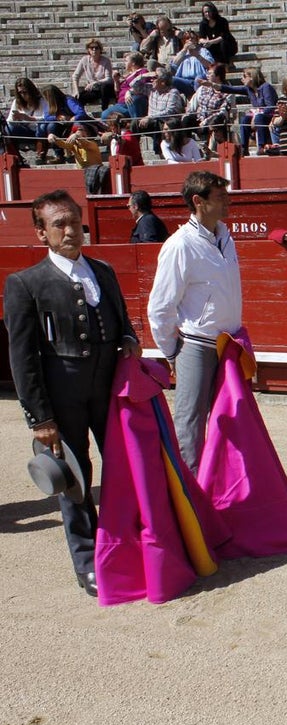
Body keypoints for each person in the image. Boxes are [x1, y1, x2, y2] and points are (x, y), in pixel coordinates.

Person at [4, 190, 141, 597]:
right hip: (61, 393)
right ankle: (87, 560)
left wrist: (131, 338)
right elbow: (22, 356)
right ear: (41, 232)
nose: (69, 230)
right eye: (58, 224)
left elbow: (121, 320)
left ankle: (126, 540)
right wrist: (39, 417)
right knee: (76, 479)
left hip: (109, 388)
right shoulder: (26, 283)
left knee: (123, 466)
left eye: (73, 221)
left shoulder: (104, 270)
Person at [147, 172, 241, 474]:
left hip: (229, 343)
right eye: (220, 197)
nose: (227, 202)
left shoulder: (225, 236)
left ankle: (216, 486)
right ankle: (189, 497)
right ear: (198, 201)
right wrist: (171, 352)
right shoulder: (179, 245)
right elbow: (160, 305)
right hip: (196, 345)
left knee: (229, 419)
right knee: (191, 421)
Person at [221, 67, 277, 156]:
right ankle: (244, 148)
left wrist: (257, 113)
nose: (242, 79)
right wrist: (212, 85)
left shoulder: (266, 87)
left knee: (258, 117)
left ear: (252, 77)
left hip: (270, 115)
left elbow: (271, 107)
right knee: (244, 120)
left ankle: (261, 146)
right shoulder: (249, 89)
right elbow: (231, 89)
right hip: (258, 116)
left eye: (244, 76)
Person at [137, 70, 186, 155]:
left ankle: (158, 152)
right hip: (151, 121)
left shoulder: (173, 92)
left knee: (158, 122)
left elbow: (169, 111)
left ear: (163, 82)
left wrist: (150, 117)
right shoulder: (151, 89)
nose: (151, 79)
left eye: (155, 78)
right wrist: (144, 75)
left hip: (167, 122)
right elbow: (134, 86)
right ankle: (135, 151)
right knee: (135, 124)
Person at [71, 38, 115, 111]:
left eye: (96, 48)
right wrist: (76, 91)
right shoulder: (84, 60)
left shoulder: (106, 61)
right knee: (79, 97)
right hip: (94, 90)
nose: (94, 50)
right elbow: (75, 76)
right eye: (92, 48)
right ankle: (81, 116)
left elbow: (109, 79)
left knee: (104, 87)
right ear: (88, 50)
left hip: (105, 88)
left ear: (100, 49)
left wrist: (96, 82)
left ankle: (104, 112)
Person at [171, 30, 215, 97]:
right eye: (188, 38)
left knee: (199, 78)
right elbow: (174, 64)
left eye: (192, 38)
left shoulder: (203, 51)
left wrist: (197, 56)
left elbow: (210, 65)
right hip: (185, 81)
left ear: (196, 40)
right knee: (171, 79)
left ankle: (196, 99)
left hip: (200, 79)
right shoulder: (182, 52)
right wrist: (184, 50)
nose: (190, 40)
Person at [198, 2, 238, 67]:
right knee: (204, 47)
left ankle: (226, 64)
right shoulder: (203, 24)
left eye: (209, 11)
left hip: (228, 45)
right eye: (205, 12)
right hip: (214, 45)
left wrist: (210, 42)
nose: (207, 14)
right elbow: (201, 38)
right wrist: (207, 42)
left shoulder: (222, 21)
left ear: (213, 11)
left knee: (223, 43)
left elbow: (224, 36)